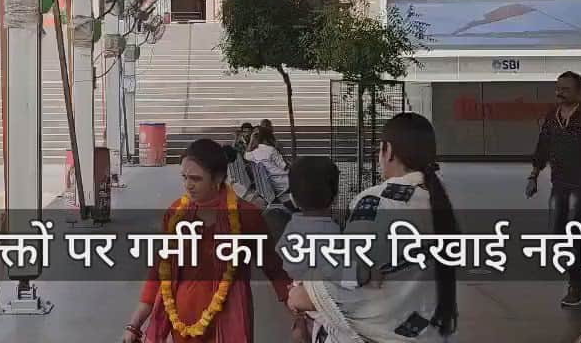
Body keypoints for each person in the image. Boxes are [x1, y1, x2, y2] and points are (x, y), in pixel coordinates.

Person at [288, 113, 459, 342]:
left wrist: (306, 291)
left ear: (388, 151)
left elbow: (351, 275)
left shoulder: (376, 202)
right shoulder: (440, 203)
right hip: (429, 334)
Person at [122, 138, 291, 343]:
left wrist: (301, 317)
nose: (188, 185)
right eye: (184, 177)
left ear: (217, 178)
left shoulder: (245, 215)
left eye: (196, 178)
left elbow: (273, 268)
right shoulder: (176, 213)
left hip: (228, 326)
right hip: (181, 327)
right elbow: (159, 270)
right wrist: (135, 324)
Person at [527, 71, 581, 308]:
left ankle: (575, 286)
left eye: (565, 89)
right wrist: (533, 175)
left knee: (573, 230)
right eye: (558, 88)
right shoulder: (552, 116)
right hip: (559, 183)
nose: (560, 93)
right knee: (558, 232)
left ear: (578, 91)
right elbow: (543, 145)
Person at [276, 156, 341, 343]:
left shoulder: (292, 226)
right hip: (323, 307)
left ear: (293, 199)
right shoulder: (336, 232)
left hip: (300, 297)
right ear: (335, 196)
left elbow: (282, 255)